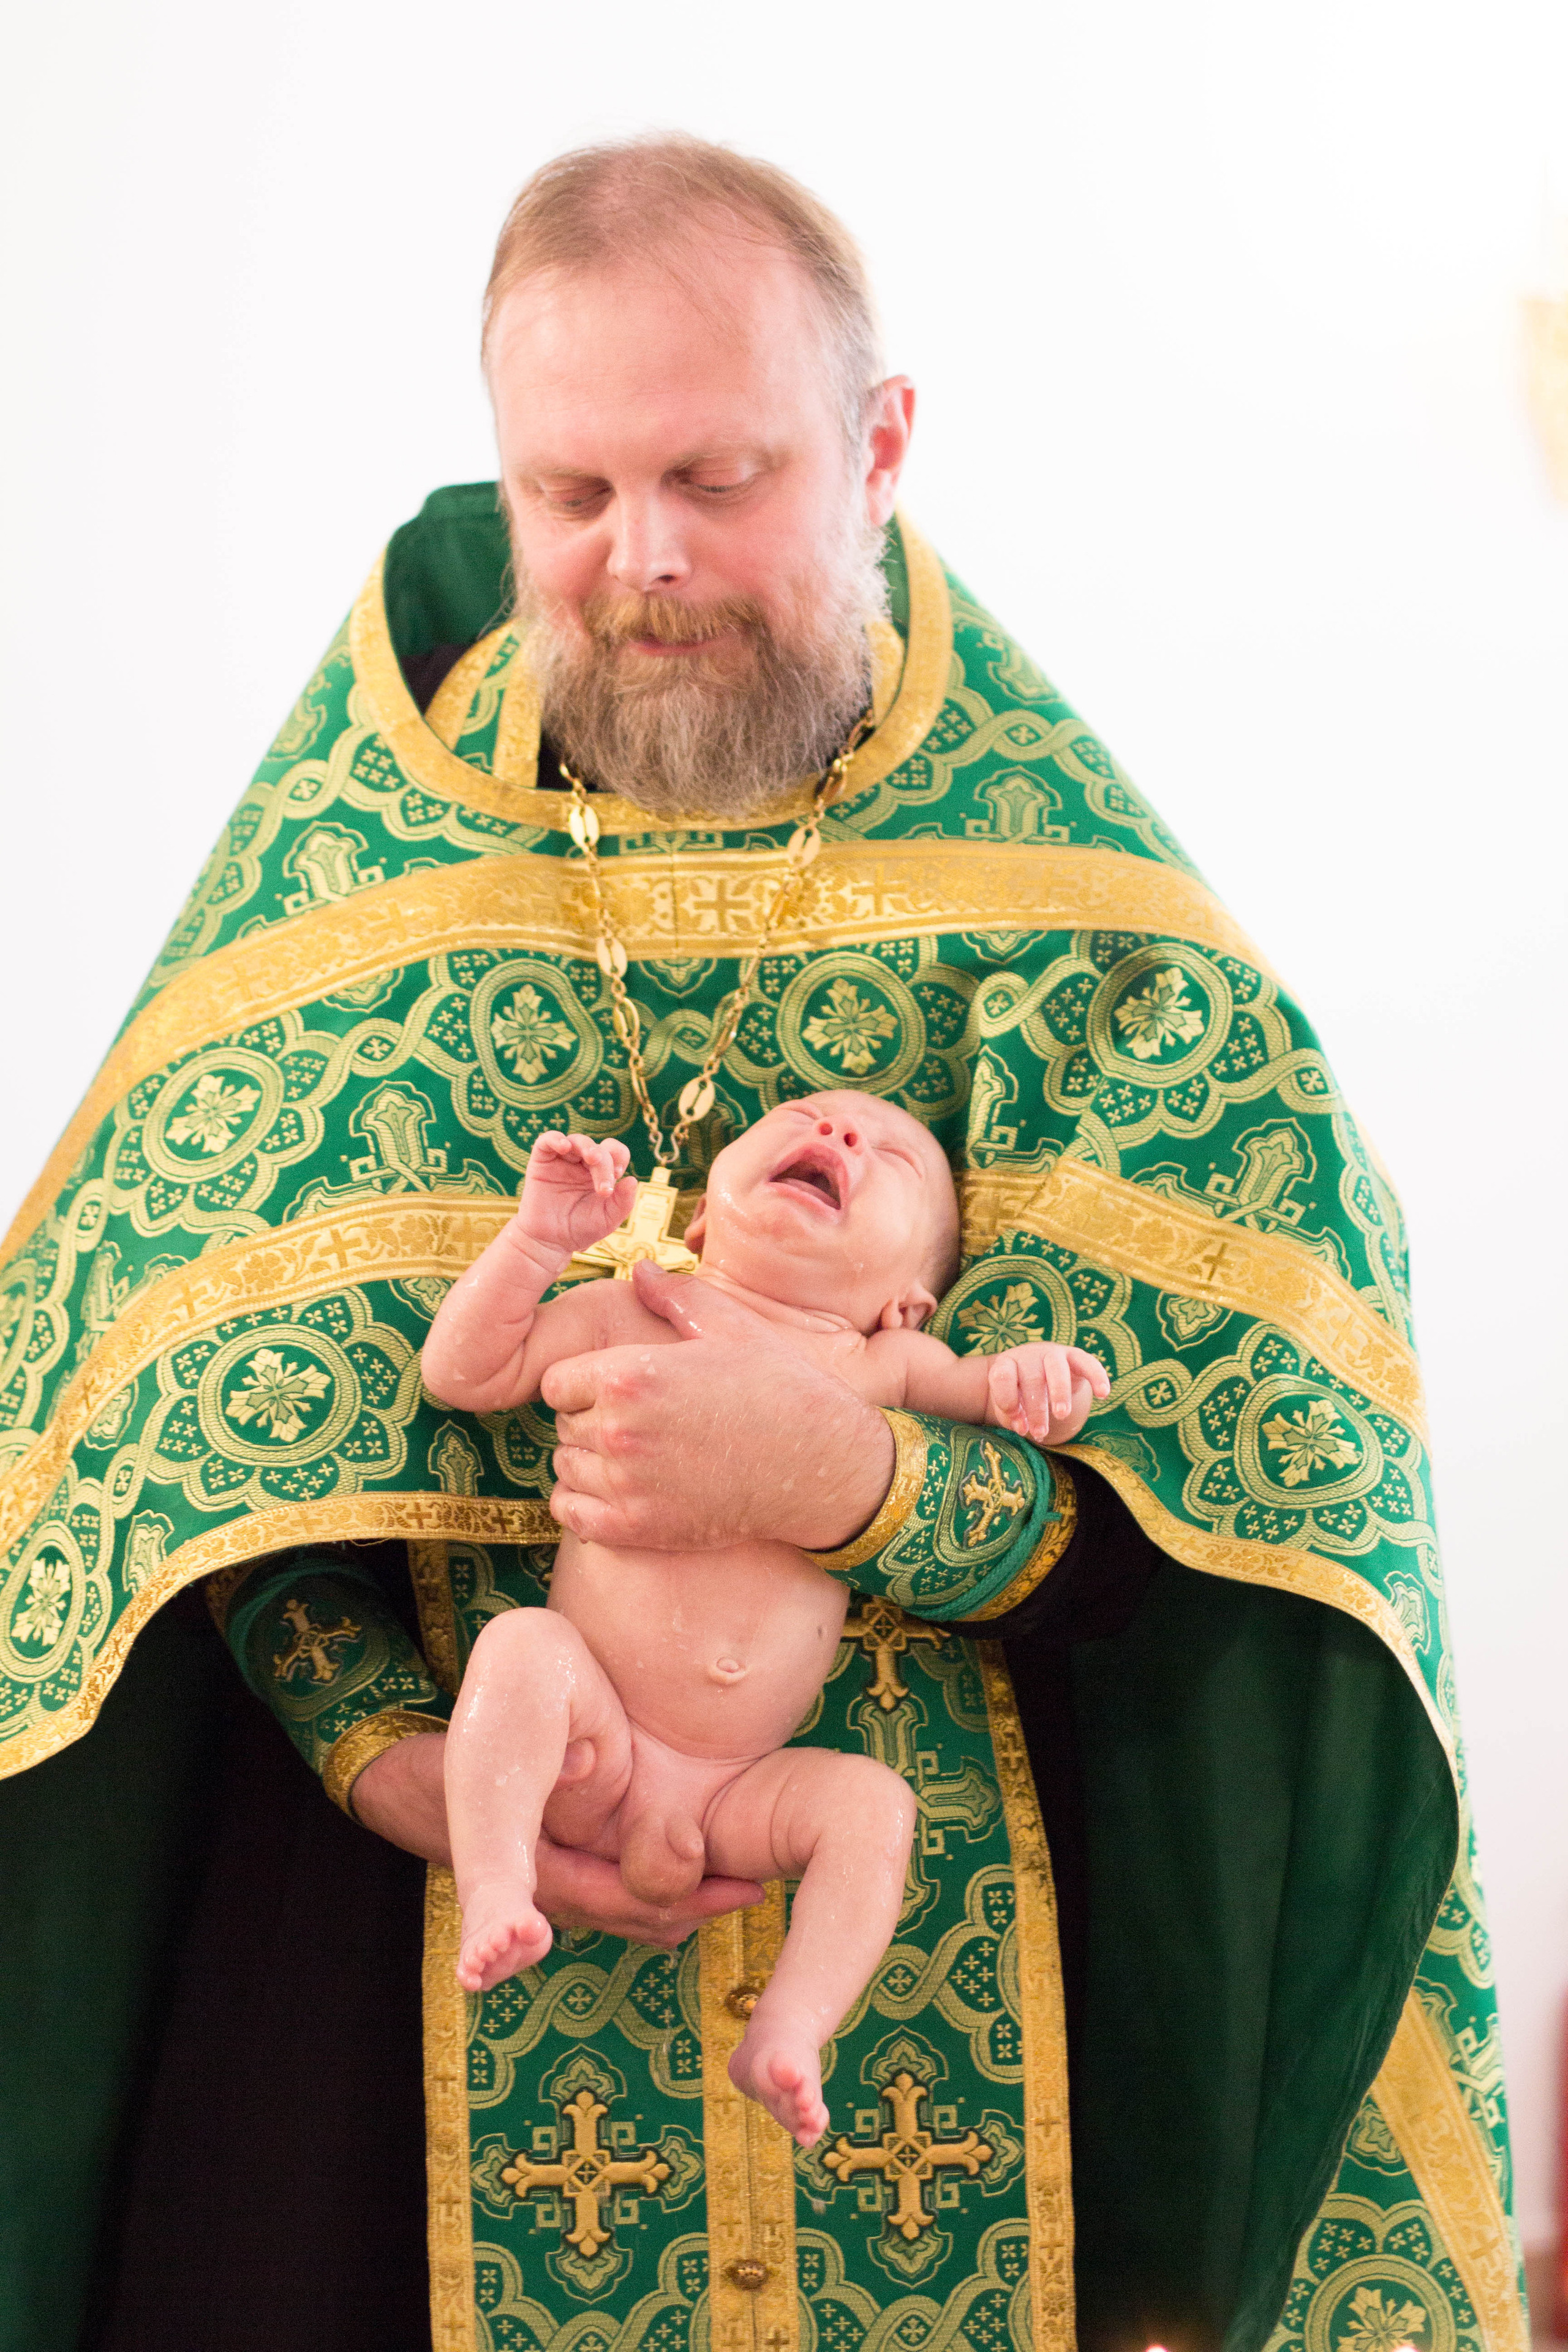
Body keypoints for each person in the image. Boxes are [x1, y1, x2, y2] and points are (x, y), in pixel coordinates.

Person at [0, 134, 1525, 2352]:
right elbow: (163, 1458)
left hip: (962, 1988)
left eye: (716, 477)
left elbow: (1260, 1538)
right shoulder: (354, 886)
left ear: (882, 441)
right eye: (573, 495)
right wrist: (394, 1758)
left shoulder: (1083, 930)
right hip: (370, 2015)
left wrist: (854, 1484)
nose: (643, 564)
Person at [426, 1099, 1108, 2147]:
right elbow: (463, 1374)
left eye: (889, 1160)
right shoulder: (629, 1306)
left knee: (873, 1808)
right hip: (586, 1735)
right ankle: (498, 1886)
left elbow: (1003, 1408)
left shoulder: (889, 1372)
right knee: (521, 1647)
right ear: (697, 1223)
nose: (841, 1139)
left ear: (910, 1305)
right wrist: (535, 1244)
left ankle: (790, 2028)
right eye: (809, 1120)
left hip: (737, 1788)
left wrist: (1037, 1379)